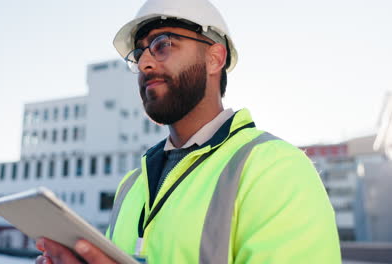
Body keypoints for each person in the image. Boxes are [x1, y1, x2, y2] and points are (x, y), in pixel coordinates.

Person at [35, 0, 341, 263]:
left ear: (214, 58)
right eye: (138, 54)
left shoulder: (276, 169)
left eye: (162, 44)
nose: (144, 63)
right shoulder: (132, 185)